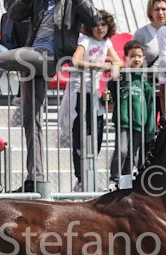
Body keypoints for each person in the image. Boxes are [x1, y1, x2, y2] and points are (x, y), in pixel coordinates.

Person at [0, 0, 103, 194]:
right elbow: (14, 15)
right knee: (31, 120)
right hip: (33, 56)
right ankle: (35, 179)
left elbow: (95, 20)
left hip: (49, 55)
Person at [58, 9, 120, 192]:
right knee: (80, 137)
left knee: (97, 136)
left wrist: (115, 66)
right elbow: (75, 61)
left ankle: (89, 177)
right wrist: (98, 65)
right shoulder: (85, 40)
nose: (100, 28)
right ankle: (81, 179)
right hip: (80, 91)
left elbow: (118, 61)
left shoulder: (106, 42)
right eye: (97, 25)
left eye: (104, 25)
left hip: (95, 93)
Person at [105, 40, 155, 190]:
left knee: (131, 155)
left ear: (144, 58)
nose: (136, 59)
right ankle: (114, 180)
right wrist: (106, 97)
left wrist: (150, 128)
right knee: (122, 150)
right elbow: (111, 95)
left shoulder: (145, 80)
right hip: (123, 121)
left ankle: (125, 183)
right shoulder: (120, 77)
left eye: (139, 56)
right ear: (125, 58)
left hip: (139, 123)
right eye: (133, 56)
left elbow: (150, 104)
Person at [131, 0, 166, 68]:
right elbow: (131, 61)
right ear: (151, 12)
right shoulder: (140, 34)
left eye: (163, 9)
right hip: (149, 73)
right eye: (157, 9)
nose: (160, 12)